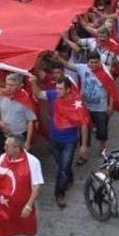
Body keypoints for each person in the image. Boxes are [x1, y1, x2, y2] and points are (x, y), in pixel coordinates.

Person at [28, 76, 87, 208]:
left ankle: (59, 194)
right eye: (57, 88)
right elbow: (38, 93)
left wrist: (83, 145)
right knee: (62, 164)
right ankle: (69, 177)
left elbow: (83, 124)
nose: (57, 90)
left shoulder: (77, 103)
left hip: (69, 141)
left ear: (68, 90)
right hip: (54, 139)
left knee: (62, 169)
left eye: (60, 88)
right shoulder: (53, 95)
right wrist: (33, 82)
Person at [0, 136, 43, 236]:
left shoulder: (33, 162)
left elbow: (36, 186)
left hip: (24, 210)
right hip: (5, 210)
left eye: (7, 145)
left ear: (17, 148)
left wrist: (29, 205)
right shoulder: (2, 158)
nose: (4, 148)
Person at [0, 73, 36, 149]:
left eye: (12, 85)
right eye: (7, 84)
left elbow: (30, 122)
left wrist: (27, 142)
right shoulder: (1, 95)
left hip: (19, 136)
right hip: (4, 134)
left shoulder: (25, 100)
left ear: (18, 86)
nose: (8, 87)